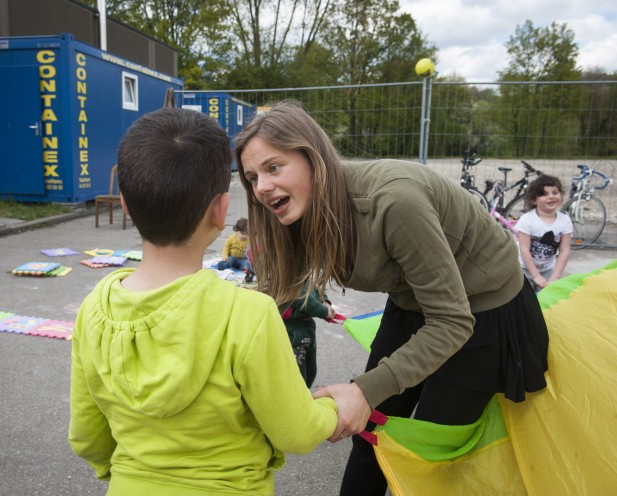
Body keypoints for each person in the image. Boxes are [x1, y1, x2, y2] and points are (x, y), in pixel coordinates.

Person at [235, 101, 549, 496]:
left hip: (482, 313)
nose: (261, 186)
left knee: (430, 457)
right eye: (251, 177)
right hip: (414, 302)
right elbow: (278, 296)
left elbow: (452, 321)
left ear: (313, 157)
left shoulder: (394, 201)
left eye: (273, 167)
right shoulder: (298, 209)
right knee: (370, 434)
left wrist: (364, 390)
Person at [68, 107, 337, 496]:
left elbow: (87, 437)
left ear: (125, 204)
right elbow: (297, 431)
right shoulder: (249, 314)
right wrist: (336, 409)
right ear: (220, 210)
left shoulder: (93, 310)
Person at [516, 174, 573, 290]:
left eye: (555, 192)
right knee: (524, 299)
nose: (551, 196)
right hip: (524, 269)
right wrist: (536, 276)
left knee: (548, 297)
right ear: (534, 200)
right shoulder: (527, 220)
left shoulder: (565, 221)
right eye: (544, 194)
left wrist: (555, 277)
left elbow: (564, 251)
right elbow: (524, 250)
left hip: (548, 270)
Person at [281, 286, 336, 387]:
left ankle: (305, 394)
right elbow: (300, 296)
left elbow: (314, 285)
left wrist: (325, 301)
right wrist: (324, 311)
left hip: (307, 328)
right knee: (299, 376)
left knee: (311, 371)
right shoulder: (291, 279)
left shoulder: (305, 273)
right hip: (293, 331)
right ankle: (298, 399)